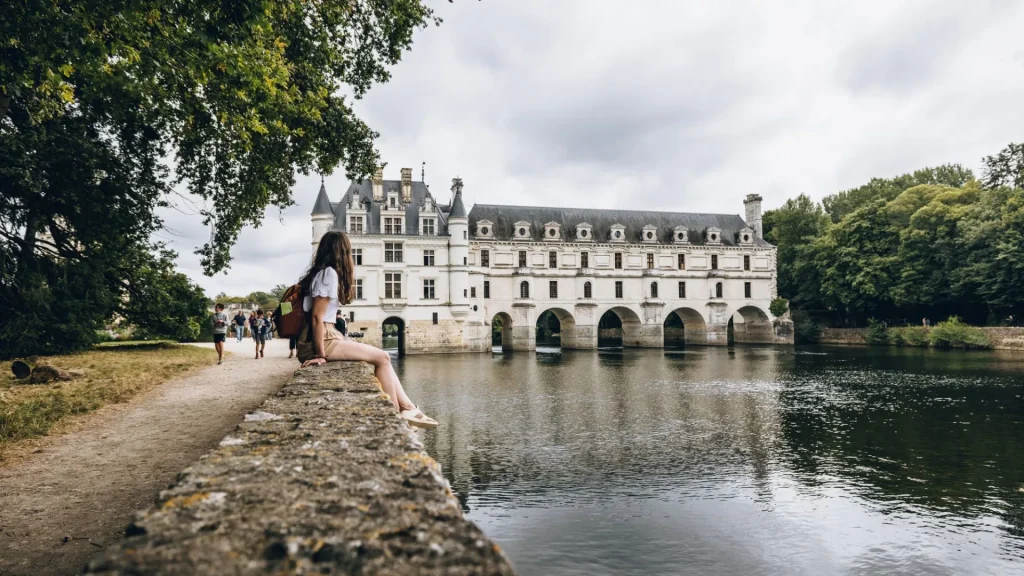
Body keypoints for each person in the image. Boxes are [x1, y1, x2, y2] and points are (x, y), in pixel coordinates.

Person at [297, 230, 437, 429]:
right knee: (382, 358)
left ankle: (405, 407)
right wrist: (321, 354)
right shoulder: (329, 274)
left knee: (383, 358)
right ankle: (397, 414)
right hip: (324, 338)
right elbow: (317, 317)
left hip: (329, 334)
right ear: (341, 251)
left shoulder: (320, 273)